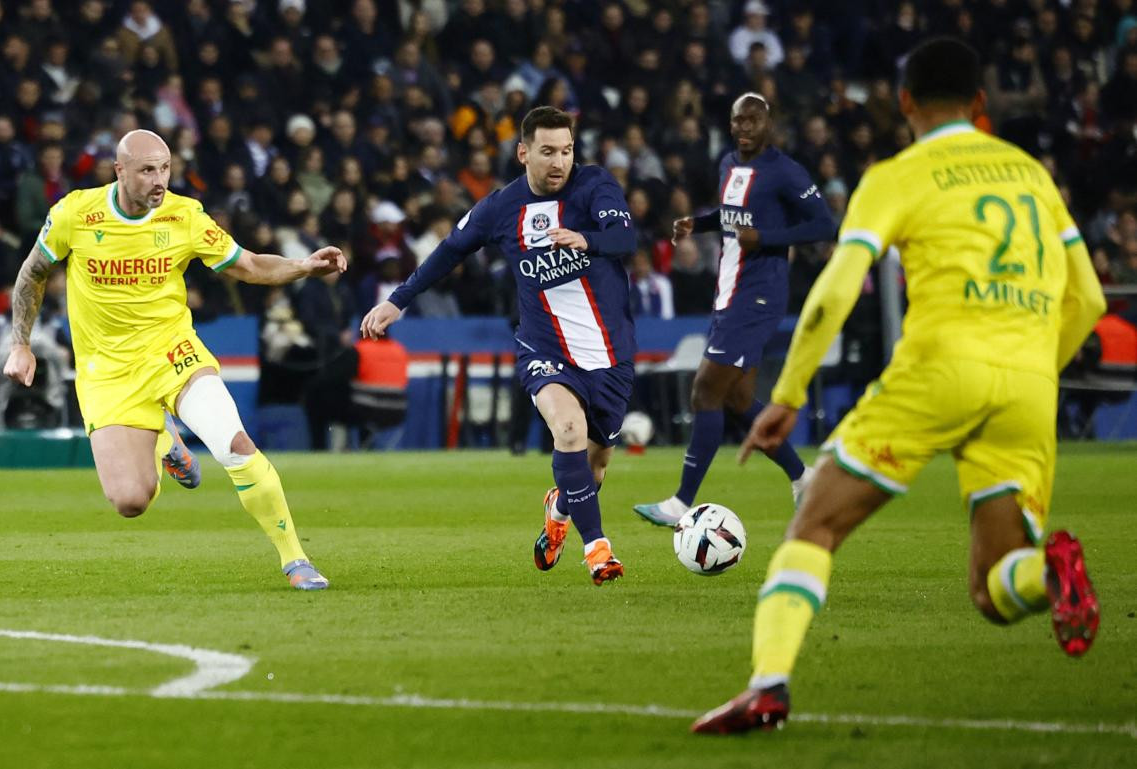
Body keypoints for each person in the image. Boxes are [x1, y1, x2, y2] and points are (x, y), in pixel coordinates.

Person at [691, 37, 1106, 735]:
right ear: (981, 104)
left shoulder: (898, 174)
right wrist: (1031, 369)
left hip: (937, 370)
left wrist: (787, 393)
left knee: (815, 522)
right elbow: (1089, 298)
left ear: (905, 102)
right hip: (1031, 382)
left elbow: (837, 286)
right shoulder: (1031, 172)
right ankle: (1052, 577)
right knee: (995, 587)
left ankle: (768, 685)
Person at [3, 129, 346, 591]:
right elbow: (33, 273)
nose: (159, 180)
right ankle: (165, 440)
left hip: (172, 352)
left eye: (165, 168)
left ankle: (296, 560)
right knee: (130, 500)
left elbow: (247, 266)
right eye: (147, 170)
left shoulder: (185, 216)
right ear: (119, 171)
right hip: (106, 370)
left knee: (234, 444)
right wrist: (19, 343)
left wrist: (303, 266)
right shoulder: (75, 213)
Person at [361, 106, 637, 585]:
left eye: (567, 151)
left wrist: (586, 240)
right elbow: (449, 250)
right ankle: (598, 550)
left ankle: (560, 510)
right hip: (543, 346)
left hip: (607, 353)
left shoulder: (596, 187)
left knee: (592, 470)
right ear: (523, 152)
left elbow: (625, 237)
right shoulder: (500, 208)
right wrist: (397, 301)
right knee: (567, 430)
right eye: (548, 151)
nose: (559, 162)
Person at [634, 92, 836, 527]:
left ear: (769, 122)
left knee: (704, 389)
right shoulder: (728, 164)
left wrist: (765, 239)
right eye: (737, 121)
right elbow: (731, 215)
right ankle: (804, 479)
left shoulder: (784, 171)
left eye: (752, 120)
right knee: (738, 398)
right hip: (729, 292)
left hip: (759, 293)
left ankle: (681, 503)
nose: (744, 128)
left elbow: (824, 224)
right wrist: (699, 224)